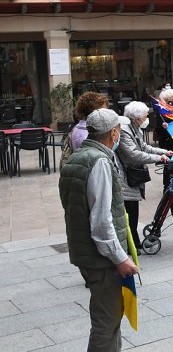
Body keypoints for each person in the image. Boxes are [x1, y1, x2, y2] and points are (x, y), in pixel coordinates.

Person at [58, 109, 139, 351]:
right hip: (101, 259)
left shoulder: (77, 157)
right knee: (107, 322)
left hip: (86, 254)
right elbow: (101, 220)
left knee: (110, 319)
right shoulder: (100, 161)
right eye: (119, 131)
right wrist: (119, 258)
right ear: (113, 133)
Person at [117, 101, 173, 248]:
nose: (147, 118)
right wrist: (159, 158)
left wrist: (163, 151)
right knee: (130, 211)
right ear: (137, 118)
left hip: (132, 174)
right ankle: (132, 244)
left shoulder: (135, 128)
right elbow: (133, 155)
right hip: (125, 176)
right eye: (145, 116)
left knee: (133, 210)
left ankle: (133, 242)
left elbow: (144, 147)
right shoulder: (124, 131)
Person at [154, 87, 173, 189]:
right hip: (167, 144)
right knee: (169, 166)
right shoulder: (162, 112)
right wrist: (164, 127)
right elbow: (158, 130)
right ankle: (168, 186)